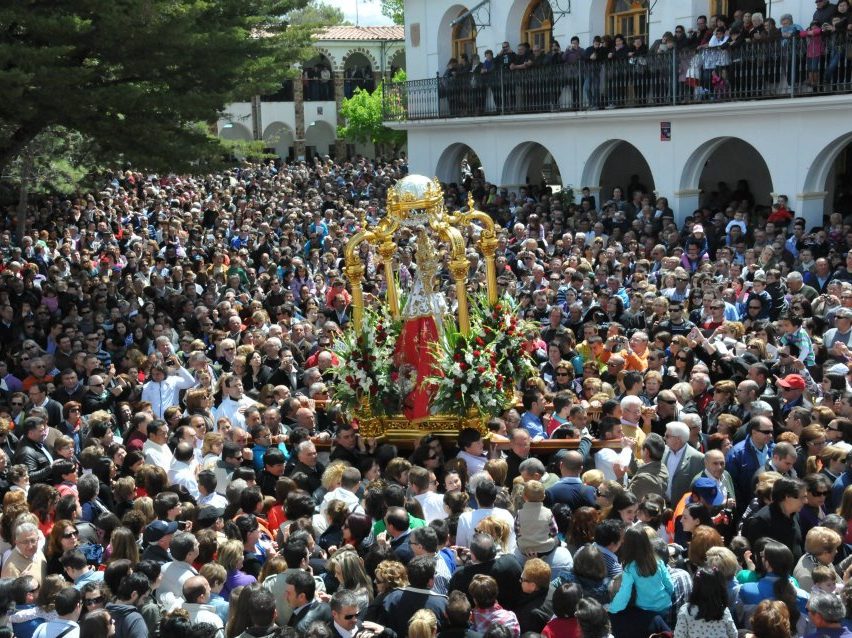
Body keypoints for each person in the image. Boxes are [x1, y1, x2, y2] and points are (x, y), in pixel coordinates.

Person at [608, 526, 673, 637]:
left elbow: (625, 593)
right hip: (665, 606)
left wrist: (613, 608)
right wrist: (666, 596)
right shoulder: (658, 561)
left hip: (646, 610)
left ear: (627, 545)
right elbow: (669, 585)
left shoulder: (629, 568)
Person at [674, 567, 737, 638]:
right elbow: (733, 634)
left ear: (695, 587)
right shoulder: (723, 610)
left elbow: (679, 635)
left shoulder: (686, 610)